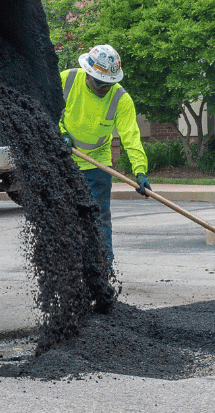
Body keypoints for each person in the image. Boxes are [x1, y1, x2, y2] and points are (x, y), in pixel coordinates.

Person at [59, 44, 151, 261]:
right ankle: (68, 269)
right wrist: (59, 133)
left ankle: (102, 270)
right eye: (100, 84)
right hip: (62, 161)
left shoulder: (121, 98)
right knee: (64, 218)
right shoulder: (66, 80)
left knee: (98, 218)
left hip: (97, 164)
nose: (104, 89)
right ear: (88, 74)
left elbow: (131, 136)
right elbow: (45, 108)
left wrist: (140, 171)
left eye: (109, 85)